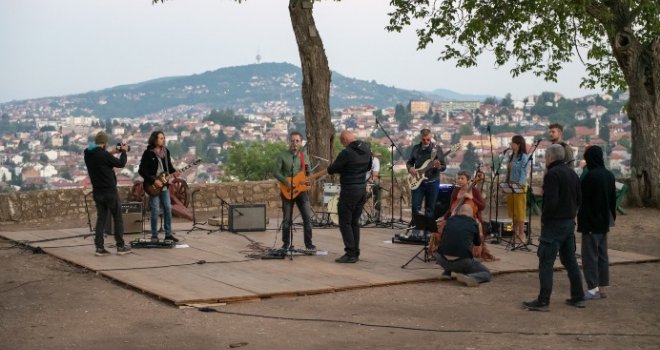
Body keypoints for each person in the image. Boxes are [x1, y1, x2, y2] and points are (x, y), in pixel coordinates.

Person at [523, 144, 584, 311]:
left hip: (554, 224)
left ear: (550, 157)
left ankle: (543, 301)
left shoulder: (552, 175)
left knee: (546, 261)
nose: (544, 160)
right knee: (570, 260)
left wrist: (545, 218)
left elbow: (551, 202)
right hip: (569, 222)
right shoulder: (572, 173)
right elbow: (579, 198)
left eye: (545, 158)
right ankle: (578, 296)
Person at [83, 131, 133, 256]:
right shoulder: (104, 155)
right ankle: (120, 246)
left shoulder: (88, 154)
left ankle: (99, 248)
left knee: (101, 219)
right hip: (109, 191)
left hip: (97, 192)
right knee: (118, 218)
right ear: (105, 143)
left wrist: (112, 152)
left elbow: (101, 156)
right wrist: (124, 151)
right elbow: (121, 164)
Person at [578, 145, 616, 300]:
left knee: (589, 256)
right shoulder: (609, 175)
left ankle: (592, 288)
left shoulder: (590, 176)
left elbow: (582, 198)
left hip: (591, 221)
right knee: (602, 255)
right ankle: (602, 287)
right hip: (604, 220)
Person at [327, 130, 372, 263]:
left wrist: (342, 169)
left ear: (345, 140)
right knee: (354, 221)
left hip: (349, 190)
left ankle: (350, 253)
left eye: (343, 143)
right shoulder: (366, 148)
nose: (343, 145)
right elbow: (368, 166)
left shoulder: (346, 153)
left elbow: (332, 169)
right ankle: (355, 252)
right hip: (362, 189)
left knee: (345, 221)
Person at [440, 170, 495, 261]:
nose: (460, 180)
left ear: (468, 180)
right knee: (439, 227)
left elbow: (482, 206)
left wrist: (472, 198)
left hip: (470, 219)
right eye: (458, 178)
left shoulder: (474, 191)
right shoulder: (455, 191)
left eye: (462, 178)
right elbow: (451, 208)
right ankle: (445, 251)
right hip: (455, 217)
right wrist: (444, 217)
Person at [273, 131, 315, 250]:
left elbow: (308, 171)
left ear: (301, 142)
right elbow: (276, 172)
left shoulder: (303, 155)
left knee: (307, 218)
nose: (294, 143)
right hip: (287, 191)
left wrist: (309, 179)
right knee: (287, 219)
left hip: (301, 192)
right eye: (292, 141)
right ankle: (286, 244)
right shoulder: (282, 155)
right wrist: (286, 182)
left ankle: (309, 244)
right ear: (289, 142)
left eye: (297, 141)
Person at [434, 205, 492, 287]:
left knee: (450, 246)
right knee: (486, 273)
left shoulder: (450, 220)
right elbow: (477, 243)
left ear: (459, 212)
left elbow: (442, 238)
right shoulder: (473, 223)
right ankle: (469, 276)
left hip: (441, 259)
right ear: (471, 214)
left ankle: (446, 273)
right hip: (461, 262)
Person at [138, 131, 179, 243]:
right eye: (161, 138)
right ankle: (154, 235)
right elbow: (141, 170)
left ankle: (168, 234)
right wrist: (153, 180)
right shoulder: (148, 153)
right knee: (155, 209)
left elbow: (169, 167)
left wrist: (175, 172)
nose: (163, 140)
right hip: (153, 186)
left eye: (164, 138)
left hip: (164, 186)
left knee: (168, 208)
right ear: (155, 140)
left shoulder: (166, 152)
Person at [406, 129, 446, 229]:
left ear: (431, 138)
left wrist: (438, 167)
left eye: (428, 140)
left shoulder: (437, 149)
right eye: (424, 140)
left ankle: (428, 231)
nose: (426, 142)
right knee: (415, 207)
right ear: (421, 138)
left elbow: (443, 166)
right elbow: (409, 162)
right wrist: (410, 168)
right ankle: (416, 229)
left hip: (432, 182)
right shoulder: (416, 148)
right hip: (418, 182)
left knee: (430, 209)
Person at [506, 135, 529, 244]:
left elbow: (523, 173)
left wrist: (519, 186)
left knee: (520, 210)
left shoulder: (524, 157)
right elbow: (509, 172)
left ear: (518, 144)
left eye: (512, 143)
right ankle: (514, 232)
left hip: (519, 186)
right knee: (512, 210)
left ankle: (521, 233)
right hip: (511, 185)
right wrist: (506, 185)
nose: (511, 144)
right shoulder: (512, 156)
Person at [367, 150, 381, 222]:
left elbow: (375, 174)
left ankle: (377, 212)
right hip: (359, 182)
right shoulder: (358, 159)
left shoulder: (375, 160)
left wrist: (369, 182)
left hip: (369, 182)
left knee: (377, 188)